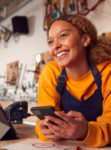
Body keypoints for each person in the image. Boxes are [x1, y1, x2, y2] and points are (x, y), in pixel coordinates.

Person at [35, 14, 111, 148]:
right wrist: (45, 130)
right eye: (51, 42)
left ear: (85, 39)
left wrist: (86, 131)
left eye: (63, 35)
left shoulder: (107, 70)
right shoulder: (51, 72)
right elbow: (43, 120)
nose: (56, 46)